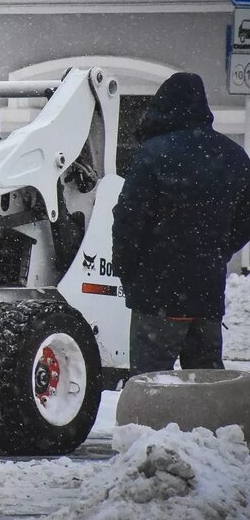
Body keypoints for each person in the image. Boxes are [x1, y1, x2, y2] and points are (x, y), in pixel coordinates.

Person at [112, 72, 250, 376]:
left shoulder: (152, 154)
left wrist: (127, 268)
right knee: (207, 379)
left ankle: (147, 426)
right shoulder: (234, 156)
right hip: (207, 291)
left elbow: (128, 220)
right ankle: (211, 425)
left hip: (157, 290)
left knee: (151, 377)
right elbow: (246, 218)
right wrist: (218, 249)